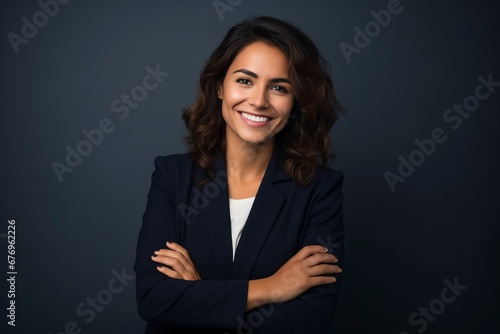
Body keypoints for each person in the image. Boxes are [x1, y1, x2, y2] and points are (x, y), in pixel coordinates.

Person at [134, 16, 345, 334]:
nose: (259, 101)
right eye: (245, 80)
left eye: (279, 87)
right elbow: (153, 299)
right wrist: (272, 288)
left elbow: (309, 319)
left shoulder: (319, 189)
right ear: (220, 86)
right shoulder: (172, 176)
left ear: (296, 100)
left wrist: (197, 295)